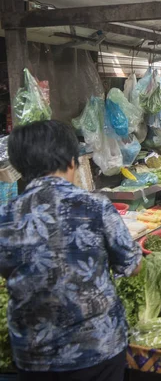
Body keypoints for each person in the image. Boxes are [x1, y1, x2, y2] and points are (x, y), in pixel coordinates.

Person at [0, 120, 142, 381]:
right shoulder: (95, 206)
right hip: (97, 349)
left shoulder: (6, 215)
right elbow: (133, 266)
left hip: (33, 355)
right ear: (72, 161)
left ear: (20, 167)